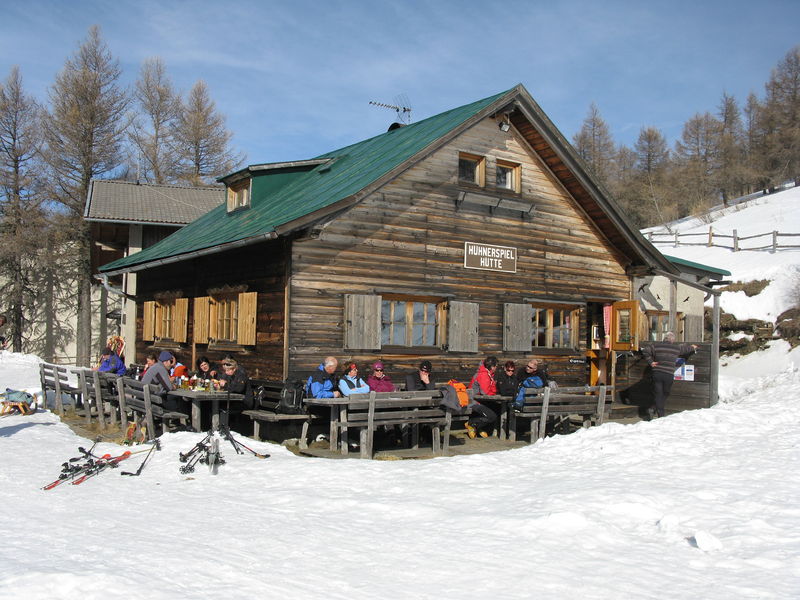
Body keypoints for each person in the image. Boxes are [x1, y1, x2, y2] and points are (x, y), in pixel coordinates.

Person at [641, 332, 698, 419]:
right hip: (668, 374)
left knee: (658, 393)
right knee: (666, 392)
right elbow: (686, 349)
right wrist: (693, 347)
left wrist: (651, 362)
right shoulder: (676, 348)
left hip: (657, 373)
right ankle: (661, 415)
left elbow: (645, 350)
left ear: (664, 339)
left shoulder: (656, 346)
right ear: (673, 340)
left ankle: (654, 408)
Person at [464, 356, 498, 438]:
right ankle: (471, 424)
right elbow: (485, 392)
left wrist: (493, 391)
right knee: (492, 416)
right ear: (492, 367)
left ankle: (479, 427)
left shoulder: (489, 374)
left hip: (480, 401)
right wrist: (493, 391)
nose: (497, 368)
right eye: (496, 366)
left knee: (497, 408)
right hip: (473, 402)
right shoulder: (483, 375)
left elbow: (492, 390)